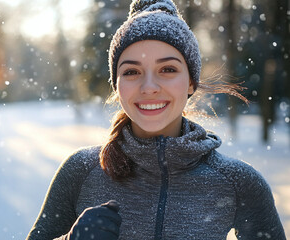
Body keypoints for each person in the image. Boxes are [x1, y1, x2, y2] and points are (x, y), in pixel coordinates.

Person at [26, 0, 286, 239]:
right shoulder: (80, 172)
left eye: (167, 69)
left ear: (191, 82)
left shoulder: (239, 182)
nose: (149, 87)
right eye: (131, 71)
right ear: (116, 86)